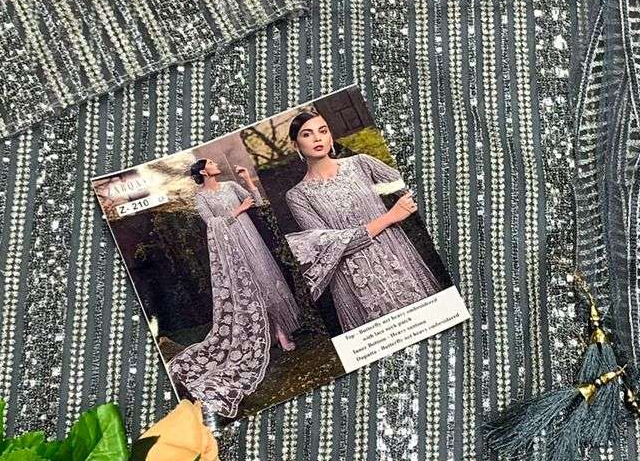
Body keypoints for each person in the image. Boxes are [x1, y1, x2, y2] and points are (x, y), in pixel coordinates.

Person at [283, 108, 442, 332]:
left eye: (323, 131)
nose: (318, 138)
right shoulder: (297, 195)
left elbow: (411, 188)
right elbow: (326, 246)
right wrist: (389, 217)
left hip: (395, 255)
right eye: (307, 134)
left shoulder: (361, 163)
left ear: (330, 136)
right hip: (352, 277)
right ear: (295, 145)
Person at [168, 157, 301, 417]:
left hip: (251, 238)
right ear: (204, 171)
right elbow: (212, 224)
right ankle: (267, 333)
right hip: (231, 248)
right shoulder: (201, 198)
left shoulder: (230, 186)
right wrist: (238, 211)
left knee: (265, 280)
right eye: (211, 163)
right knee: (249, 288)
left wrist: (248, 181)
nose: (216, 164)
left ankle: (280, 331)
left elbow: (257, 201)